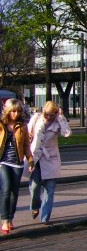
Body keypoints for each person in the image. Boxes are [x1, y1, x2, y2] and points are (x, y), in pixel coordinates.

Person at [28, 100, 71, 225]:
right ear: (43, 112)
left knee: (50, 189)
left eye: (52, 115)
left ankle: (44, 218)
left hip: (51, 159)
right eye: (46, 114)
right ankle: (35, 206)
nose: (49, 117)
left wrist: (61, 118)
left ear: (56, 113)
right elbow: (27, 132)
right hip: (36, 157)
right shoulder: (36, 118)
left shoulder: (58, 121)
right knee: (34, 186)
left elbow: (66, 133)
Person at [0, 99, 34, 235]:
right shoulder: (1, 124)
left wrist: (30, 160)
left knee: (14, 192)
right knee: (6, 189)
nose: (15, 114)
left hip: (17, 163)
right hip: (3, 162)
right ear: (7, 111)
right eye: (13, 111)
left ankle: (10, 218)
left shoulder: (22, 125)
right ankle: (4, 220)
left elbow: (26, 145)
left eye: (18, 111)